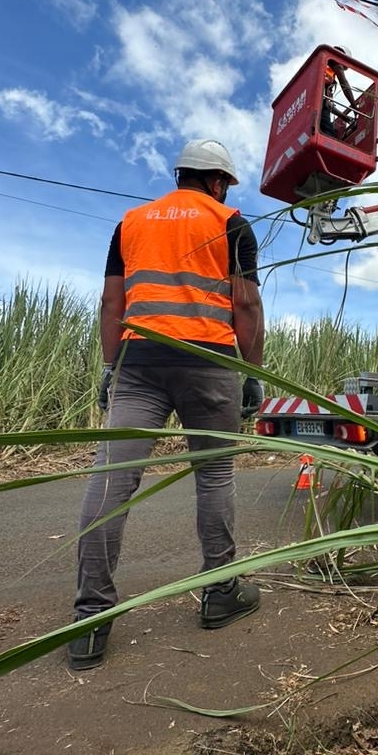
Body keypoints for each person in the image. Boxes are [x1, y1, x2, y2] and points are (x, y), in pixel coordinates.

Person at [67, 139, 266, 670]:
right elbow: (244, 303)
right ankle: (219, 594)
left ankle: (90, 620)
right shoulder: (231, 222)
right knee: (215, 475)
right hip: (209, 361)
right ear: (219, 181)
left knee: (110, 480)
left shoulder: (131, 223)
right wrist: (252, 373)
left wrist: (112, 367)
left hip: (140, 362)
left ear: (182, 174)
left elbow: (113, 301)